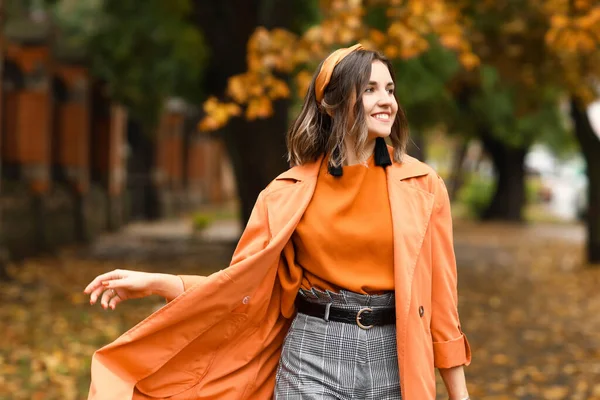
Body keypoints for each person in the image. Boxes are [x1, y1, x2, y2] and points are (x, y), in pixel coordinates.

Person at [84, 44, 471, 400]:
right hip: (312, 358)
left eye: (389, 89)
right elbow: (245, 289)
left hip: (397, 357)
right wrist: (160, 283)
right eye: (369, 90)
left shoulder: (423, 186)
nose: (386, 101)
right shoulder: (285, 194)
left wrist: (459, 395)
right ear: (331, 104)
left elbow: (441, 302)